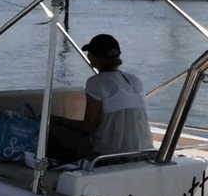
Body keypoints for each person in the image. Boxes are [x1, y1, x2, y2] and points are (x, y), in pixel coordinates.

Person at [50, 34, 154, 163]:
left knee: (54, 129)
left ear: (96, 57)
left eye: (90, 53)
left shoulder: (96, 83)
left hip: (110, 155)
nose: (88, 56)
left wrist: (56, 119)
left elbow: (88, 127)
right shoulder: (134, 80)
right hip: (145, 151)